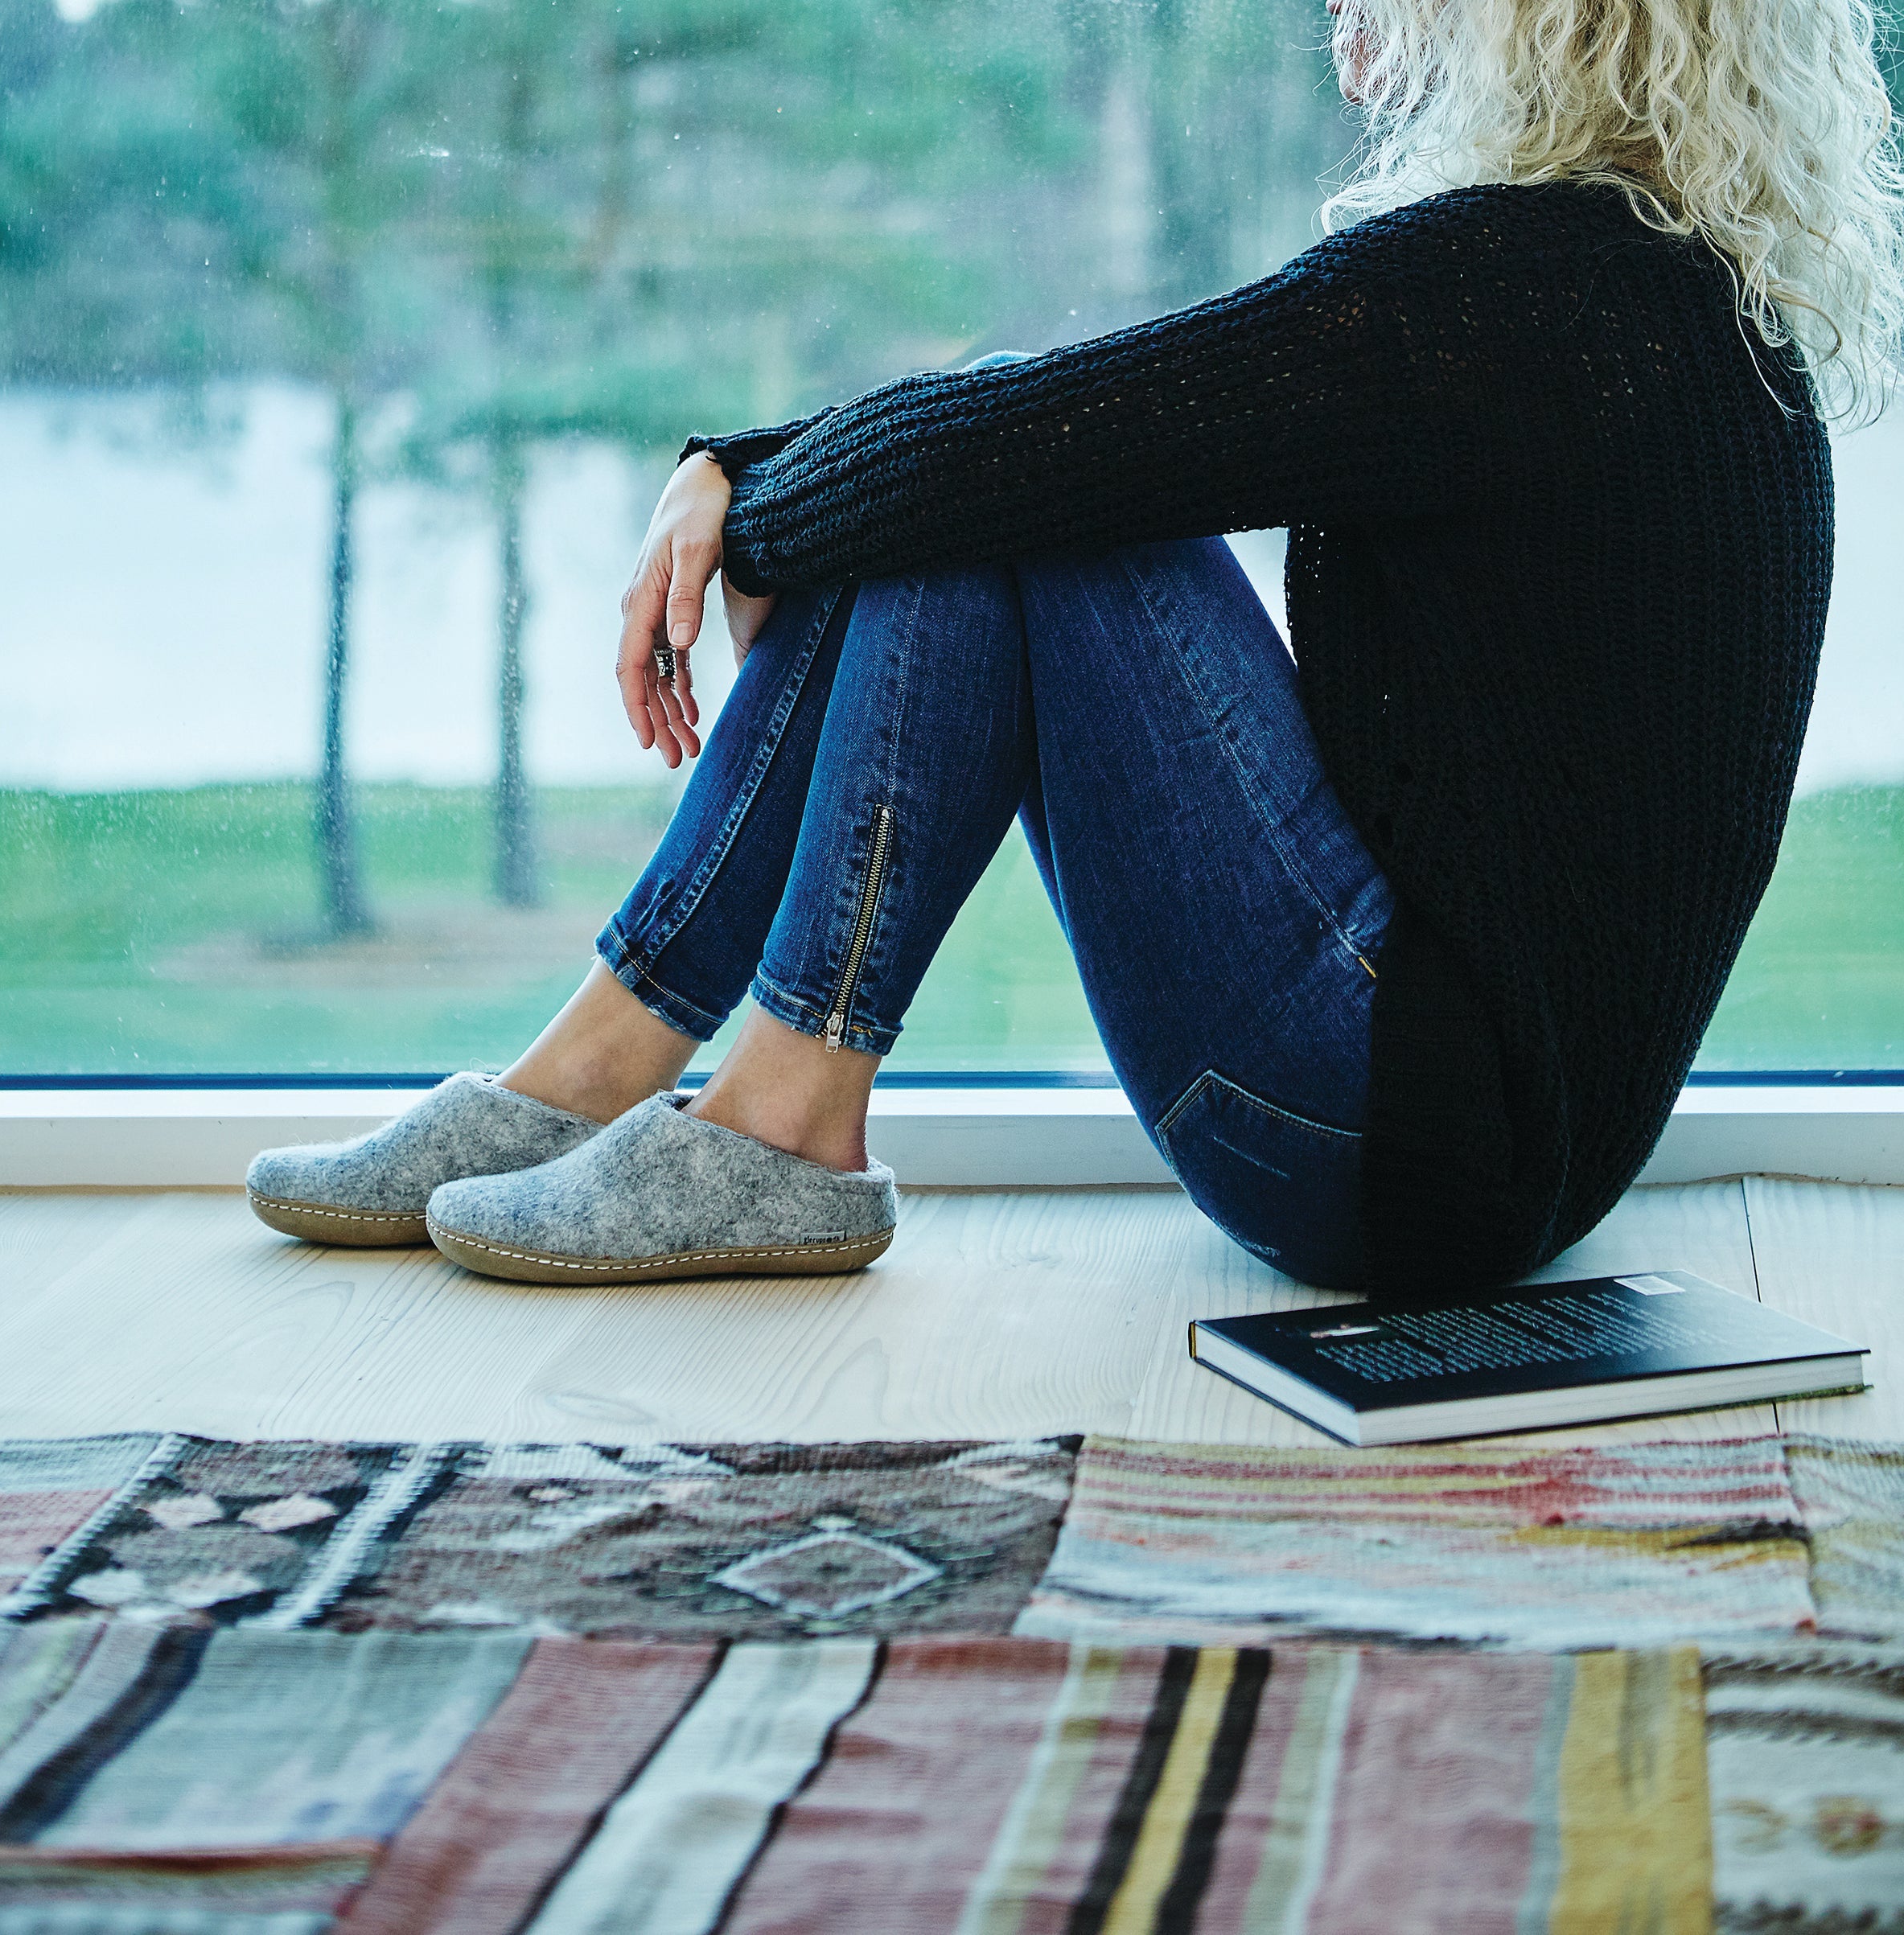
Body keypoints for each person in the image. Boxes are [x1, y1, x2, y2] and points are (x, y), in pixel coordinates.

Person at [247, 0, 1904, 1293]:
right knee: (1001, 479)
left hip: (1378, 1139)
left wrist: (738, 494)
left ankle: (735, 1107)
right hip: (1474, 1151)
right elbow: (1047, 430)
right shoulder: (1671, 303)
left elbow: (1031, 440)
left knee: (1009, 493)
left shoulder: (1506, 298)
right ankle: (645, 1081)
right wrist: (772, 478)